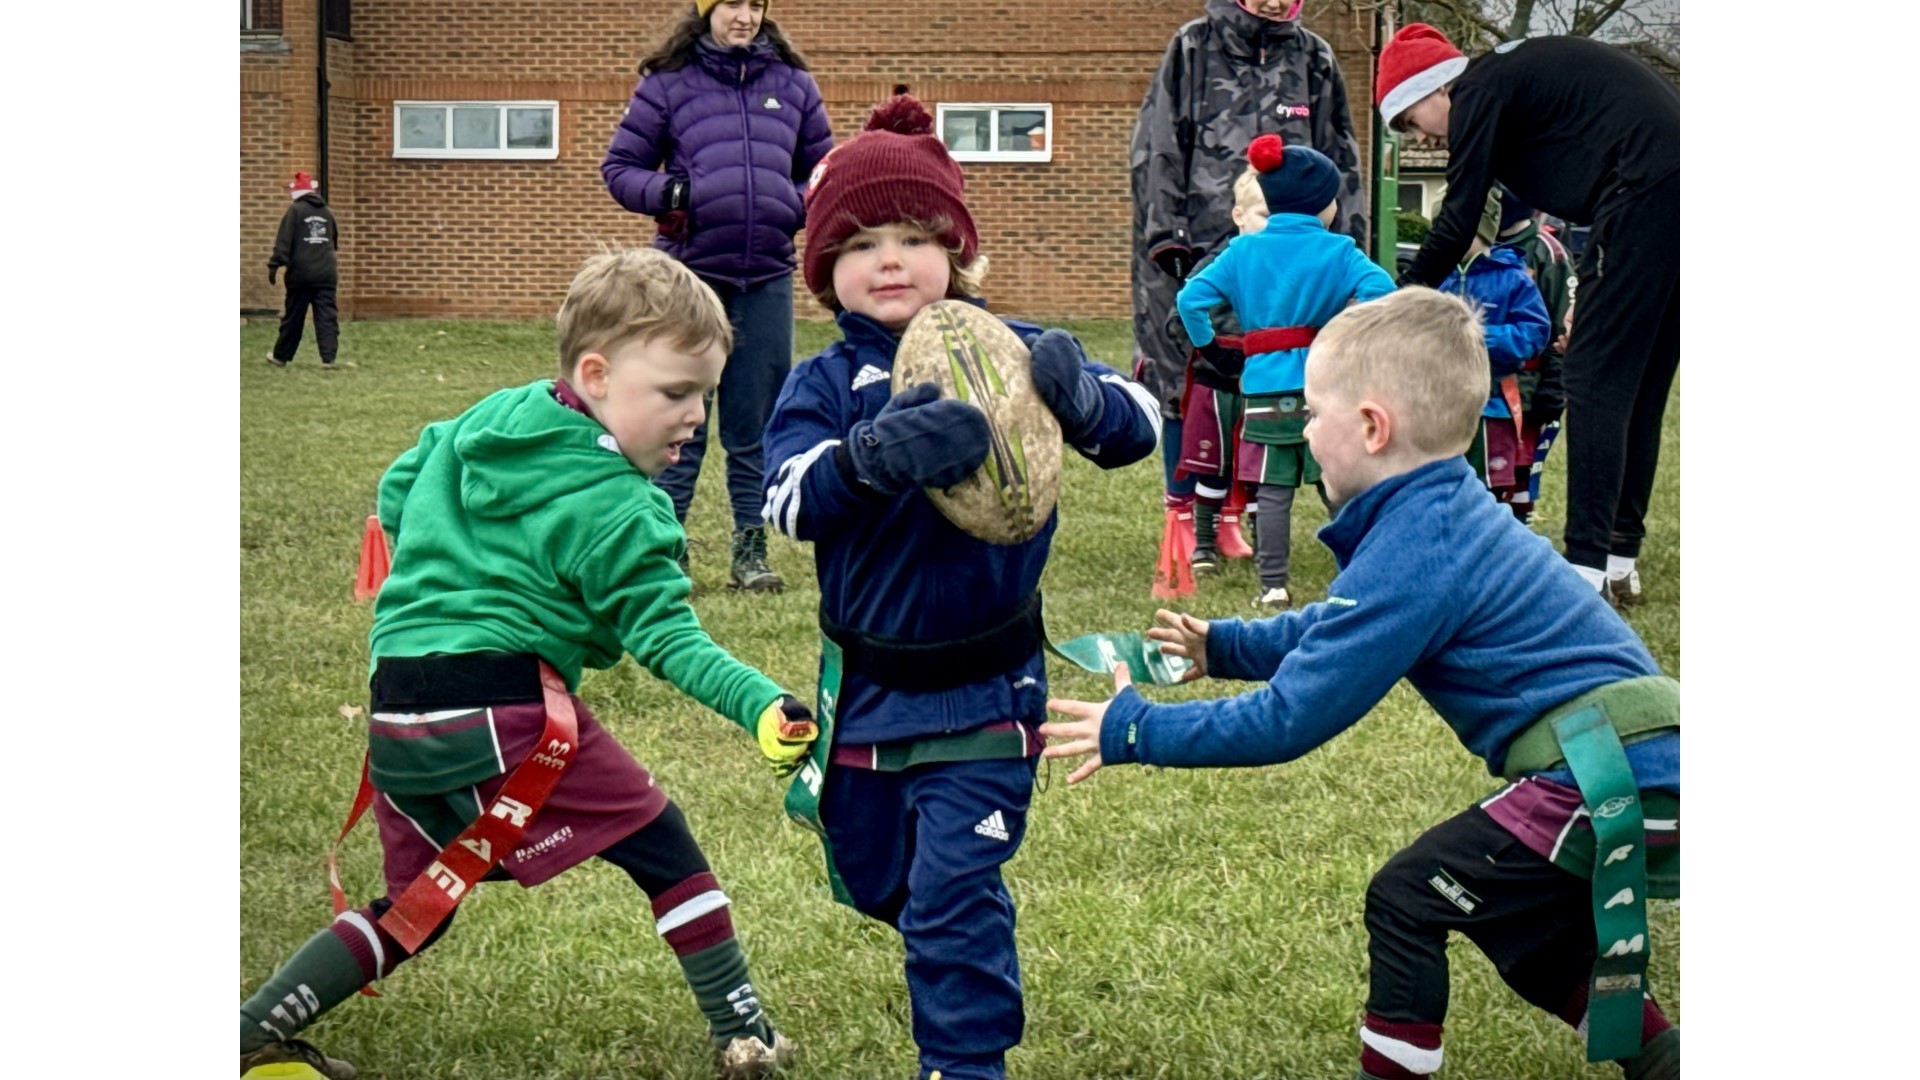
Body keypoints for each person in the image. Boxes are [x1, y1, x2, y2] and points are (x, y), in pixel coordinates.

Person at [1040, 288, 1680, 1080]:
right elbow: (1340, 624)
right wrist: (1228, 645)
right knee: (1532, 933)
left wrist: (1136, 729)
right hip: (1637, 760)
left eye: (1313, 414)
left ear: (1372, 428)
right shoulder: (1434, 518)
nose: (1303, 433)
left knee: (1410, 897)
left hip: (1611, 774)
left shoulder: (1420, 545)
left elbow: (1288, 720)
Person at [238, 248, 818, 1080]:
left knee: (415, 908)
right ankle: (746, 1031)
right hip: (501, 703)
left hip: (398, 702)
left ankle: (248, 1033)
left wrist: (447, 567)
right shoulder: (623, 506)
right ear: (595, 372)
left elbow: (401, 487)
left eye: (705, 395)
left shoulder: (483, 421)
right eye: (675, 393)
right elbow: (668, 640)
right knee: (664, 845)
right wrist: (764, 704)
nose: (697, 417)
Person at [760, 91, 1160, 1080]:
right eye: (857, 244)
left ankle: (964, 1059)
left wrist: (1085, 398)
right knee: (876, 876)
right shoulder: (821, 385)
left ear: (958, 251)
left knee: (954, 886)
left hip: (989, 685)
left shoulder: (1010, 352)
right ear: (824, 274)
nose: (886, 259)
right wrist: (867, 462)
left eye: (910, 235)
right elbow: (782, 501)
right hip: (868, 692)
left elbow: (1141, 420)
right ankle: (925, 921)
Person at [1378, 24, 1679, 605]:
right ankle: (1619, 560)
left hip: (1643, 186)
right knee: (1637, 385)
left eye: (1413, 121)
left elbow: (1458, 219)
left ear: (1434, 90)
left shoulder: (1476, 93)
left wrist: (1399, 299)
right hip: (1664, 184)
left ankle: (1586, 572)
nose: (1428, 138)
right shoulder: (1505, 83)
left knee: (1591, 378)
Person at [602, 0, 834, 592]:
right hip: (688, 279)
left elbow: (823, 172)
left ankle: (750, 555)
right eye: (732, 3)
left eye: (756, 4)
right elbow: (621, 169)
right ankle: (666, 547)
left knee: (754, 422)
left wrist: (793, 205)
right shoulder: (668, 83)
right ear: (706, 9)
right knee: (682, 417)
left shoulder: (794, 84)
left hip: (765, 278)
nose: (746, 16)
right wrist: (676, 191)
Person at [1130, 0, 1368, 573]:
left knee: (1271, 380)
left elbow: (1343, 159)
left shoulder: (1315, 58)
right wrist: (1169, 235)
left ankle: (1244, 510)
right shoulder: (1192, 48)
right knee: (1191, 381)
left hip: (1286, 256)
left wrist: (1349, 239)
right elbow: (1158, 147)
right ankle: (1186, 513)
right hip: (1197, 248)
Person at [1174, 134, 1392, 609]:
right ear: (1321, 204)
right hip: (1323, 386)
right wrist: (1342, 330)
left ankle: (1273, 584)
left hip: (1263, 389)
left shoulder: (1242, 251)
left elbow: (1189, 300)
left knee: (1272, 490)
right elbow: (1384, 291)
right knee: (1335, 482)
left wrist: (1213, 348)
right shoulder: (1341, 252)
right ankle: (1356, 576)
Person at [1168, 165, 1267, 576]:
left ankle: (1268, 543)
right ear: (1239, 216)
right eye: (1262, 214)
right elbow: (1182, 316)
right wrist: (1213, 351)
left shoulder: (1285, 263)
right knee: (1214, 464)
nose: (1270, 224)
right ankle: (1205, 545)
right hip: (1217, 380)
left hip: (1266, 382)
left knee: (1265, 468)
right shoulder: (1218, 264)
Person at [1435, 186, 1551, 496]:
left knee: (1489, 486)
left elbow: (1534, 333)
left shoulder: (1513, 277)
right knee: (1440, 481)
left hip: (1493, 402)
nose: (1448, 238)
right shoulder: (1434, 277)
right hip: (1439, 404)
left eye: (1456, 229)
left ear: (1483, 229)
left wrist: (1478, 336)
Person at [1490, 185, 1575, 526]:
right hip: (1483, 383)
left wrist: (1554, 385)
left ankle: (1518, 526)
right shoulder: (1475, 246)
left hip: (1528, 387)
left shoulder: (1547, 252)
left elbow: (1561, 326)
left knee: (1521, 465)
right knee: (1490, 464)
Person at [267, 171, 341, 369]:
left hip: (301, 274)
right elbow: (334, 240)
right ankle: (328, 358)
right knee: (326, 316)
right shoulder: (327, 212)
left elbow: (284, 242)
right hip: (326, 273)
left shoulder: (295, 211)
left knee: (294, 317)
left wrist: (275, 264)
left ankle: (281, 356)